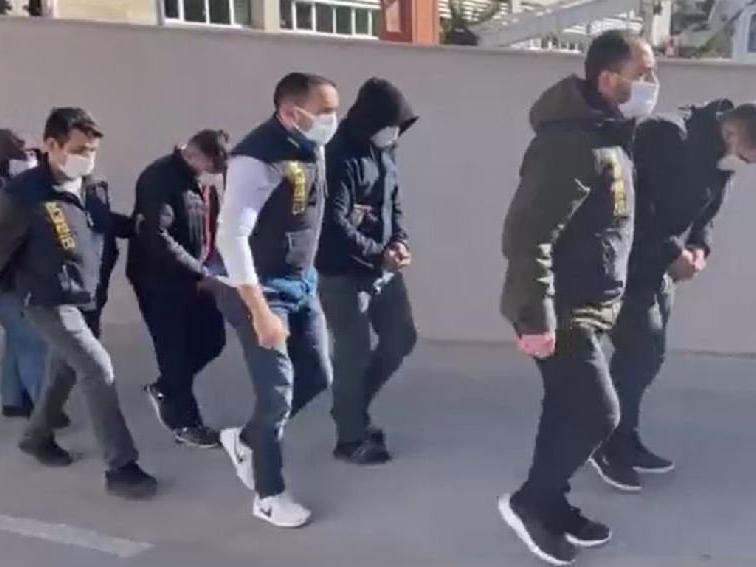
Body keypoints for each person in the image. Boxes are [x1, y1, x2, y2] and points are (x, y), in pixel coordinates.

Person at [497, 31, 657, 565]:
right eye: (644, 74)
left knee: (565, 407)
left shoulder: (609, 133)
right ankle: (529, 501)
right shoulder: (569, 142)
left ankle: (552, 503)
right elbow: (527, 234)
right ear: (609, 80)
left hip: (591, 302)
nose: (653, 84)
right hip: (561, 308)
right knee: (596, 413)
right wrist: (534, 316)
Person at [590, 101, 756, 492]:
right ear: (732, 132)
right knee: (639, 354)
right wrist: (672, 253)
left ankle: (622, 436)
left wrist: (699, 248)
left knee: (645, 359)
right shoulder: (665, 135)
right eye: (751, 155)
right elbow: (628, 206)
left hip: (658, 272)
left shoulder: (720, 160)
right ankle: (604, 443)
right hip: (623, 266)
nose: (749, 164)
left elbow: (705, 216)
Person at [0, 108, 157, 500]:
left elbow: (100, 221)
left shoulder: (90, 185)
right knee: (98, 369)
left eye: (92, 150)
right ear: (51, 145)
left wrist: (135, 226)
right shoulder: (23, 195)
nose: (86, 157)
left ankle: (37, 436)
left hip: (86, 295)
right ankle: (121, 467)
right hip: (46, 300)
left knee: (64, 370)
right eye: (78, 149)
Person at [214, 72, 338, 529]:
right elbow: (231, 237)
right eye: (324, 112)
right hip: (258, 290)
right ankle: (268, 495)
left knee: (318, 375)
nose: (332, 120)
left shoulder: (310, 147)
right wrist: (261, 312)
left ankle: (247, 440)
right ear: (291, 113)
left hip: (300, 282)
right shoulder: (256, 158)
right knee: (277, 393)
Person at [317, 78, 418, 465]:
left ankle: (351, 409)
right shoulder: (337, 157)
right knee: (353, 352)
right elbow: (334, 225)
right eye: (390, 125)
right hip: (343, 273)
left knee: (401, 338)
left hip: (383, 269)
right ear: (370, 120)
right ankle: (350, 439)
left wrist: (400, 242)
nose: (394, 133)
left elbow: (394, 205)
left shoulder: (384, 151)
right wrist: (379, 255)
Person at [127, 130, 229, 449]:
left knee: (213, 340)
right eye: (210, 166)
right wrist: (199, 271)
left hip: (196, 277)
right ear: (194, 154)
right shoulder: (160, 179)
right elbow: (157, 237)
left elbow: (211, 227)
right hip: (159, 281)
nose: (213, 174)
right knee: (174, 351)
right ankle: (185, 424)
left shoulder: (200, 179)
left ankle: (166, 388)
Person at [0, 130, 50, 418]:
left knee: (17, 339)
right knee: (32, 343)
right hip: (10, 280)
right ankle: (43, 412)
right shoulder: (11, 193)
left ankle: (13, 400)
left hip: (8, 280)